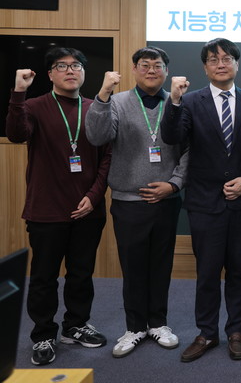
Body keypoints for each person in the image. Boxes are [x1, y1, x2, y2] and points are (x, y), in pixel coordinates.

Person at [6, 47, 110, 366]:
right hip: (47, 210)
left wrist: (94, 196)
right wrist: (18, 93)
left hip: (88, 209)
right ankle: (43, 334)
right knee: (44, 276)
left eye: (76, 65)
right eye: (61, 66)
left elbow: (107, 157)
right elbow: (16, 134)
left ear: (84, 72)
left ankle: (75, 325)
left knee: (81, 273)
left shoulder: (94, 108)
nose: (70, 71)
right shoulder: (34, 106)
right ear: (50, 74)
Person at [160, 38, 241, 362]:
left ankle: (236, 332)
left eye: (227, 58)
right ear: (205, 67)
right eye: (214, 59)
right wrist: (174, 101)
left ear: (237, 64)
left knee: (238, 272)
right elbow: (172, 137)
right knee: (206, 273)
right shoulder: (189, 101)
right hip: (204, 203)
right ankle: (206, 333)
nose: (221, 64)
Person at [85, 46, 188, 358]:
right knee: (133, 267)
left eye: (157, 65)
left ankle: (158, 323)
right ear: (134, 70)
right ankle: (134, 327)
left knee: (161, 264)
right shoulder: (116, 102)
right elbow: (97, 136)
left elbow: (189, 150)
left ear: (166, 71)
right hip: (128, 200)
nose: (151, 70)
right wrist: (103, 95)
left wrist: (174, 184)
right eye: (145, 65)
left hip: (167, 199)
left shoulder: (178, 101)